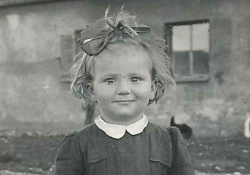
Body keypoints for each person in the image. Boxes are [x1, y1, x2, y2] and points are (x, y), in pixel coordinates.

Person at [54, 7, 195, 175]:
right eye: (110, 80)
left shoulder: (168, 141)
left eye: (135, 79)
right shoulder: (78, 145)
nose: (123, 90)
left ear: (152, 88)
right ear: (91, 90)